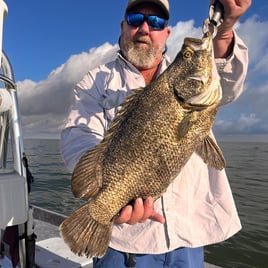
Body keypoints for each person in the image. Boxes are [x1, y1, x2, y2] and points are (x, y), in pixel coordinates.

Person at [61, 0, 251, 267]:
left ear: (167, 33)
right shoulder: (95, 81)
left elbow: (227, 83)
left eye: (157, 22)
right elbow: (78, 136)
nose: (145, 28)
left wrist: (226, 27)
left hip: (189, 233)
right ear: (123, 26)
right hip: (125, 241)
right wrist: (109, 196)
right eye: (136, 18)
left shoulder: (187, 81)